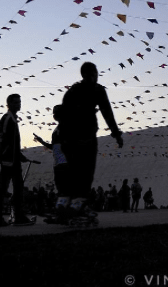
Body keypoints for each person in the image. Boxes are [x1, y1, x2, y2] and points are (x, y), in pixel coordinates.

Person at [59, 62, 124, 220]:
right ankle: (78, 206)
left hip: (69, 140)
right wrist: (116, 134)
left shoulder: (72, 91)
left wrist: (64, 140)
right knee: (86, 173)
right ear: (94, 73)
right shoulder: (97, 90)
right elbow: (107, 113)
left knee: (73, 172)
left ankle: (64, 203)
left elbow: (63, 116)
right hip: (86, 138)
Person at [0, 94, 35, 227]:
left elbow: (13, 143)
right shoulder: (6, 119)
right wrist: (1, 156)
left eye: (19, 102)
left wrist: (20, 156)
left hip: (14, 160)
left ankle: (18, 216)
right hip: (8, 161)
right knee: (3, 189)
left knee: (18, 188)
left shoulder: (13, 119)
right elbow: (0, 140)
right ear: (9, 104)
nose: (19, 104)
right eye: (16, 102)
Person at [33, 105, 71, 223]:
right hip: (58, 163)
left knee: (65, 189)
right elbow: (54, 147)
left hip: (65, 163)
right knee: (61, 189)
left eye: (56, 113)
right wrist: (42, 141)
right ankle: (62, 214)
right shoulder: (58, 129)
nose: (54, 116)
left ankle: (66, 214)